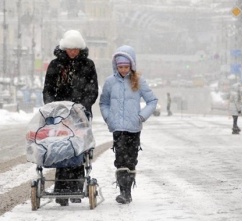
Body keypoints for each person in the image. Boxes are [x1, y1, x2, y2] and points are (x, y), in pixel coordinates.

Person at [42, 30, 99, 206]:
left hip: (80, 114)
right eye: (70, 49)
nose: (73, 52)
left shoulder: (88, 65)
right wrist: (53, 106)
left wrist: (81, 106)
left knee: (78, 148)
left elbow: (93, 90)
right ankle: (61, 188)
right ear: (64, 48)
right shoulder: (55, 65)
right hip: (59, 114)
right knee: (60, 148)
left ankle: (76, 186)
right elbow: (48, 89)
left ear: (80, 49)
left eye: (76, 49)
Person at [99, 45, 158, 204]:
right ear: (115, 66)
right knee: (120, 160)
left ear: (131, 66)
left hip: (134, 128)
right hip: (118, 128)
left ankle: (128, 191)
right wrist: (108, 117)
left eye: (126, 66)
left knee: (131, 160)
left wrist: (142, 116)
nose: (123, 70)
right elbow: (103, 103)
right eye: (120, 67)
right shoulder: (110, 82)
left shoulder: (138, 81)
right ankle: (123, 192)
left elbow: (152, 101)